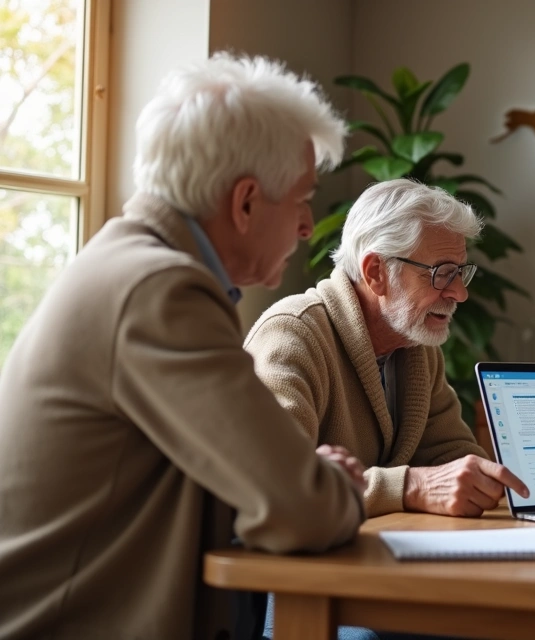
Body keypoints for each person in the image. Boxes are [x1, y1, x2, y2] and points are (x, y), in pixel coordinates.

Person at [0, 53, 367, 640]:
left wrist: (302, 478)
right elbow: (301, 511)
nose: (306, 226)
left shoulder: (132, 265)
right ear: (245, 203)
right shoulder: (161, 291)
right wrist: (328, 487)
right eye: (301, 199)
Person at [245, 178, 530, 520]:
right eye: (442, 273)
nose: (460, 293)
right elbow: (279, 481)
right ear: (376, 272)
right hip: (300, 570)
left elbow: (451, 456)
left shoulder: (417, 344)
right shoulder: (292, 334)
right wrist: (411, 487)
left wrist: (487, 479)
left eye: (460, 273)